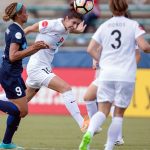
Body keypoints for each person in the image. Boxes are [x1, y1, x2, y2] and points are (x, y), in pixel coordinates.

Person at [79, 0, 150, 149]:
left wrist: (102, 62)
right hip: (124, 75)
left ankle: (90, 132)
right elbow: (144, 47)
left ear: (110, 9)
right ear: (126, 7)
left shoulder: (104, 26)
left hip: (106, 73)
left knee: (102, 111)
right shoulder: (133, 25)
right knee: (118, 113)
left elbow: (91, 49)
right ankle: (109, 146)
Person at [24, 5, 89, 133]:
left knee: (20, 102)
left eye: (77, 24)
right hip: (37, 67)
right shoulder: (51, 24)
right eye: (73, 23)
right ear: (66, 18)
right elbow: (30, 29)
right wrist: (15, 40)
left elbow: (68, 29)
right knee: (66, 88)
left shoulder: (66, 28)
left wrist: (78, 30)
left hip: (43, 67)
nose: (74, 26)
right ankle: (83, 124)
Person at [0, 2, 49, 149]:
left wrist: (34, 47)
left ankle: (6, 143)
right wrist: (34, 47)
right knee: (21, 110)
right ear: (19, 15)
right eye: (26, 12)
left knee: (20, 109)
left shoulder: (14, 29)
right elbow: (13, 56)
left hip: (12, 73)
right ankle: (6, 143)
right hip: (10, 74)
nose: (27, 14)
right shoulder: (16, 32)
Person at [84, 48, 141, 146]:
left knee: (103, 106)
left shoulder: (106, 33)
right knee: (112, 106)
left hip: (109, 73)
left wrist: (96, 61)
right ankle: (110, 136)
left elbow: (92, 48)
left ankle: (94, 128)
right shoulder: (130, 33)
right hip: (109, 72)